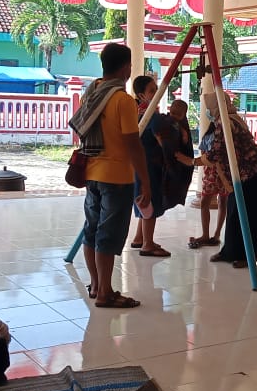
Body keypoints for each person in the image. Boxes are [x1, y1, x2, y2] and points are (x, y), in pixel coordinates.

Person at [69, 43, 151, 308]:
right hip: (116, 177)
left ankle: (96, 285)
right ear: (126, 68)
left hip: (91, 172)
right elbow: (133, 144)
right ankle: (105, 292)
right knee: (108, 235)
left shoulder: (92, 91)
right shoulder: (122, 101)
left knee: (92, 231)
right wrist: (145, 181)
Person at [191, 91, 257, 268]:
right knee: (235, 211)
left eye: (209, 107)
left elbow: (214, 154)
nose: (208, 111)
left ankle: (247, 255)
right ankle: (230, 251)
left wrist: (190, 161)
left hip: (254, 172)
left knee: (248, 214)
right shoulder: (230, 119)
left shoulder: (226, 122)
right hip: (248, 172)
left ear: (216, 106)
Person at [128, 75, 170, 257]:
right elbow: (161, 140)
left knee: (142, 199)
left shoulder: (136, 112)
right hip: (149, 164)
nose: (157, 93)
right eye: (152, 90)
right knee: (148, 200)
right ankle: (148, 244)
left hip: (138, 163)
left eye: (156, 88)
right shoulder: (150, 114)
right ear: (141, 95)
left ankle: (139, 237)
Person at [188, 119, 229, 249]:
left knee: (213, 202)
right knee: (215, 202)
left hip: (215, 173)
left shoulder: (217, 134)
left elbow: (204, 156)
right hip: (218, 172)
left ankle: (212, 235)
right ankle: (211, 235)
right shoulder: (216, 134)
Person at [162, 99, 195, 209]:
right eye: (172, 113)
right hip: (168, 163)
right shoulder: (166, 121)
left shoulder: (184, 126)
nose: (174, 117)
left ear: (184, 114)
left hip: (180, 163)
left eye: (178, 114)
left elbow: (187, 147)